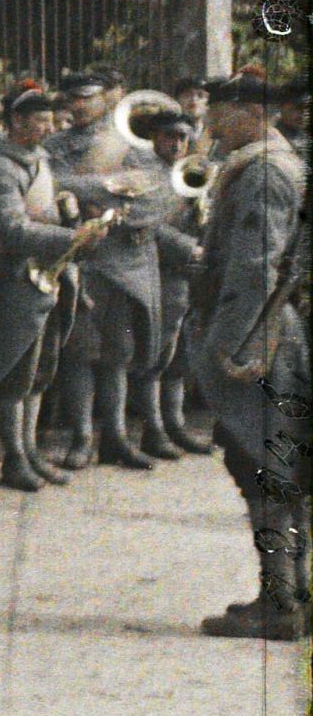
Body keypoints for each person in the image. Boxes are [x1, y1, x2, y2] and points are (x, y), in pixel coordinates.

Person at [191, 68, 308, 640]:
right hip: (276, 330)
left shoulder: (262, 174)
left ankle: (280, 603)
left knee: (261, 466)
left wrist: (228, 346)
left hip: (257, 338)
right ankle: (293, 596)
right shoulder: (278, 162)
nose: (210, 120)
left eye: (220, 109)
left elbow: (254, 267)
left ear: (251, 113)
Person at [0, 80, 105, 491]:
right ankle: (13, 457)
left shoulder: (37, 161)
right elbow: (11, 229)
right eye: (39, 121)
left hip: (50, 276)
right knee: (16, 370)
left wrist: (70, 217)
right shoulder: (0, 169)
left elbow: (46, 210)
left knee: (41, 370)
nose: (48, 128)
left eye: (50, 120)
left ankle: (29, 450)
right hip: (17, 278)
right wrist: (70, 238)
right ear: (16, 122)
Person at [45, 69, 165, 470]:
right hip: (80, 261)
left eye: (88, 97)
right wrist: (108, 189)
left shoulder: (132, 145)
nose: (79, 106)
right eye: (72, 98)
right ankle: (81, 438)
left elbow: (153, 195)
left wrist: (105, 208)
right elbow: (48, 186)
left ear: (105, 100)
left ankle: (114, 436)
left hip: (124, 265)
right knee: (80, 353)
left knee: (118, 354)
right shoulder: (54, 146)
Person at [136, 104, 212, 458]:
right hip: (158, 270)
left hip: (186, 274)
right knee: (157, 355)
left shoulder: (190, 172)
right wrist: (189, 248)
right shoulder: (142, 171)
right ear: (154, 137)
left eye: (183, 137)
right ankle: (153, 430)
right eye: (170, 136)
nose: (177, 144)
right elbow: (148, 223)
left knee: (180, 355)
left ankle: (175, 424)